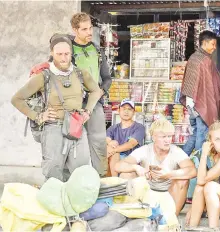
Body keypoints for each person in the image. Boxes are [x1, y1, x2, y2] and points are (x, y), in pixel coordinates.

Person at [11, 34, 102, 181]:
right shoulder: (43, 76)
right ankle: (55, 202)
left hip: (76, 126)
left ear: (71, 53)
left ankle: (76, 203)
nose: (63, 58)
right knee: (53, 173)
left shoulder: (80, 73)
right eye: (59, 54)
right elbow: (17, 99)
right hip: (53, 128)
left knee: (81, 172)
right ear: (52, 53)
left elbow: (96, 91)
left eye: (66, 54)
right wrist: (38, 116)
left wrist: (88, 111)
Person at [114, 118, 197, 216]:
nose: (167, 140)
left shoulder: (176, 151)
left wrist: (169, 174)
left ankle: (172, 217)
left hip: (170, 195)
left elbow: (193, 171)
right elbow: (118, 166)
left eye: (170, 136)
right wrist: (136, 168)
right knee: (126, 174)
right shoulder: (145, 150)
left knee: (183, 180)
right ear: (153, 137)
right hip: (148, 195)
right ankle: (130, 213)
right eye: (163, 137)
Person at [70, 12, 112, 177]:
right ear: (75, 30)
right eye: (84, 29)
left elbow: (107, 78)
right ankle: (75, 182)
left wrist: (101, 91)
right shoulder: (68, 51)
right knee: (73, 146)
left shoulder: (96, 49)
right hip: (75, 106)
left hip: (95, 105)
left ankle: (100, 180)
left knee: (99, 144)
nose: (89, 32)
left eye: (90, 28)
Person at [180, 30, 220, 156]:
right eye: (212, 44)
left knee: (196, 133)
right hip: (201, 104)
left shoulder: (194, 57)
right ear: (205, 43)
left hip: (192, 103)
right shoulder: (205, 60)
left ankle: (181, 159)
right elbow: (207, 87)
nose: (214, 47)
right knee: (202, 134)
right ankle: (199, 162)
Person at [106, 99, 145, 177]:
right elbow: (107, 140)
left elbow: (131, 144)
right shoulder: (113, 128)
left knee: (114, 150)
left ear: (134, 112)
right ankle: (115, 181)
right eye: (124, 109)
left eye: (129, 109)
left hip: (130, 160)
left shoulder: (139, 127)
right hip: (114, 160)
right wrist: (110, 144)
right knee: (112, 144)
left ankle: (115, 181)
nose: (126, 112)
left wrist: (113, 149)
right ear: (119, 111)